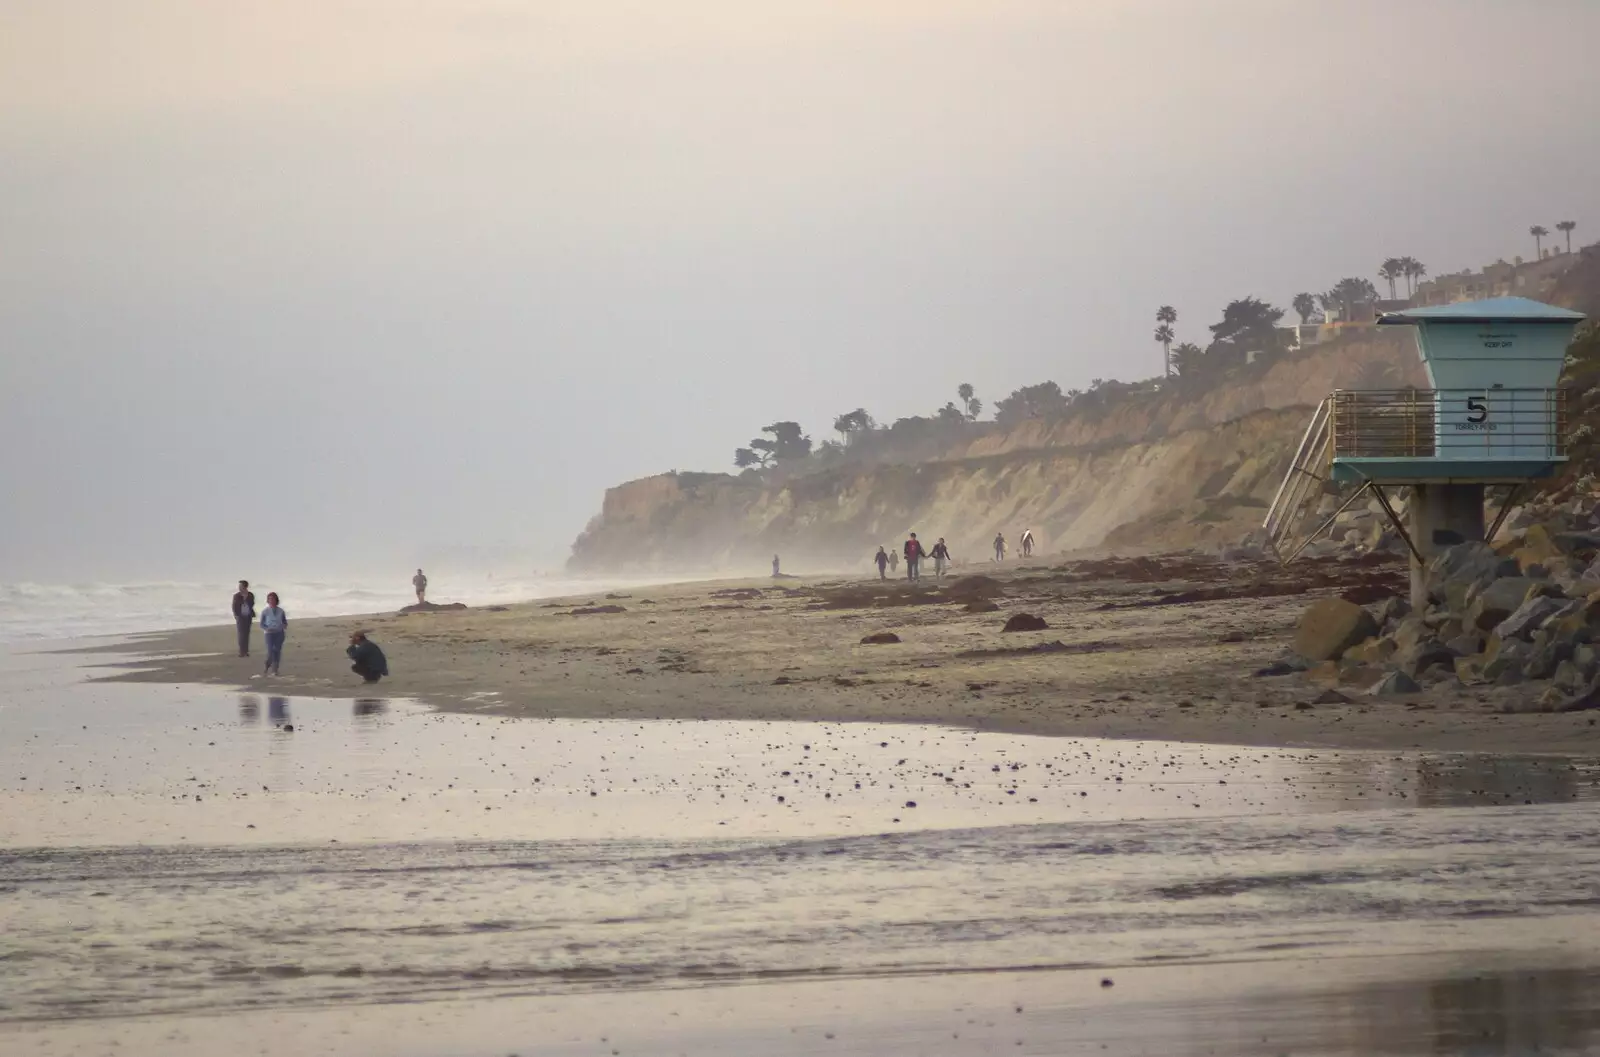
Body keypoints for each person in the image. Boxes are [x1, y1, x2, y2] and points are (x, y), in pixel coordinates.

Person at [259, 592, 288, 676]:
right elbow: (261, 624)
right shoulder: (265, 612)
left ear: (276, 600)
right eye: (270, 599)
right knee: (270, 651)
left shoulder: (281, 611)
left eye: (273, 599)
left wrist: (284, 625)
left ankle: (275, 669)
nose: (271, 601)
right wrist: (267, 628)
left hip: (279, 633)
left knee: (277, 651)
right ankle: (267, 665)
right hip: (269, 634)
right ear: (268, 601)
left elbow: (284, 622)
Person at [231, 580, 256, 657]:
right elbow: (234, 606)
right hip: (240, 616)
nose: (239, 587)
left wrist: (245, 598)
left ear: (245, 587)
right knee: (241, 634)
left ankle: (246, 651)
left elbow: (252, 603)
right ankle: (242, 651)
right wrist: (235, 615)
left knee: (246, 634)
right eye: (239, 586)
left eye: (241, 586)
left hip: (248, 616)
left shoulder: (250, 595)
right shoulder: (236, 596)